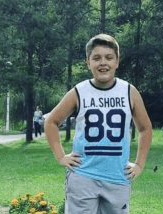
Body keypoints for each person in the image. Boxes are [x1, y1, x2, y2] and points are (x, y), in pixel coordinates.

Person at [44, 34, 152, 214]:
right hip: (83, 176)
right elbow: (51, 122)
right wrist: (61, 156)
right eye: (97, 58)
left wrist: (139, 164)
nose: (103, 63)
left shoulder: (129, 91)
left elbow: (145, 128)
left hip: (117, 176)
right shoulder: (79, 91)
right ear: (88, 62)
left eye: (109, 58)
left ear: (117, 61)